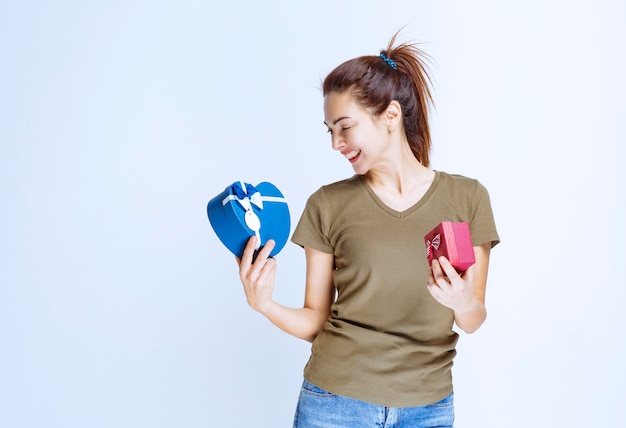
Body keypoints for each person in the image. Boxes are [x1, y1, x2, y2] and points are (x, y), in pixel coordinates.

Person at [237, 31, 500, 428]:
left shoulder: (468, 198)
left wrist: (461, 300)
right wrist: (264, 305)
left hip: (427, 408)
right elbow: (315, 320)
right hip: (333, 404)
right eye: (329, 130)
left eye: (345, 127)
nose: (336, 143)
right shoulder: (327, 204)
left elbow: (473, 318)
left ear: (391, 116)